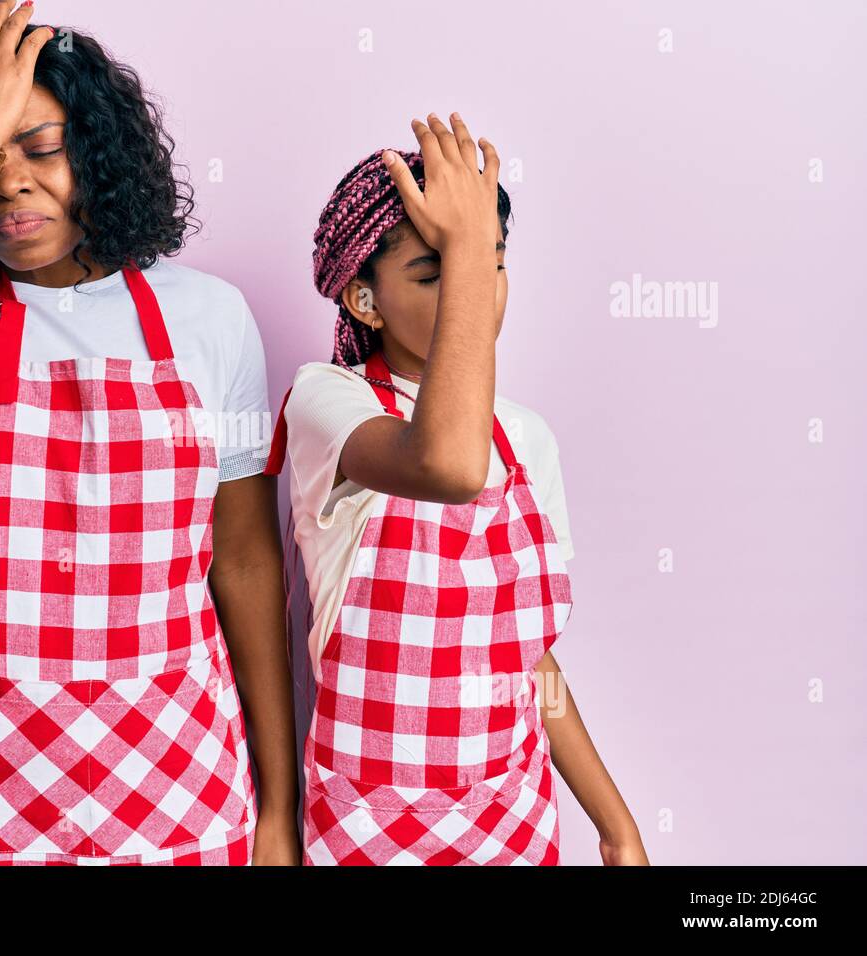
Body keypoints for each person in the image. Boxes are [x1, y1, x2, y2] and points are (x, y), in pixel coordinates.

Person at [0, 0, 299, 865]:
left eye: (40, 147)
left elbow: (249, 564)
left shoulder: (208, 317)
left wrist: (279, 804)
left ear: (102, 154)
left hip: (182, 785)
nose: (8, 182)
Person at [264, 112, 649, 865]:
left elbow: (525, 662)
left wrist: (615, 824)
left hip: (513, 816)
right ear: (363, 301)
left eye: (493, 263)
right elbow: (446, 465)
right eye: (436, 271)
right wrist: (472, 243)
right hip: (371, 829)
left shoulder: (527, 437)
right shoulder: (329, 403)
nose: (479, 287)